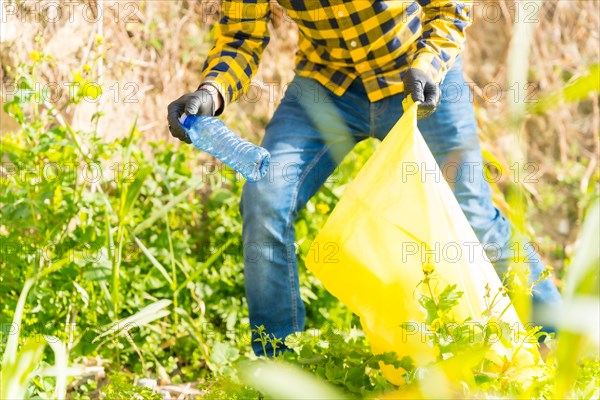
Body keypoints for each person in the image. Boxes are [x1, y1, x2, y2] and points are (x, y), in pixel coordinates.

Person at [167, 0, 561, 356]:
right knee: (265, 199)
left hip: (418, 75)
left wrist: (427, 64)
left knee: (473, 214)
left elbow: (449, 7)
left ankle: (563, 346)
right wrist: (211, 92)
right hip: (327, 86)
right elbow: (241, 36)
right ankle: (279, 364)